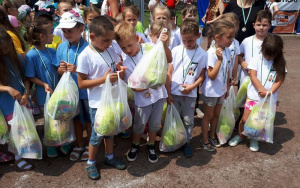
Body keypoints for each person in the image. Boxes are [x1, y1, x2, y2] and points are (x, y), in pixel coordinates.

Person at [114, 21, 172, 163]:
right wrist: (146, 85)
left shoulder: (150, 48)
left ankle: (151, 145)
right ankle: (135, 144)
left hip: (158, 95)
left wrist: (163, 45)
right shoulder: (125, 63)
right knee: (139, 124)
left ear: (136, 38)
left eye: (130, 45)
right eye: (123, 47)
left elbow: (169, 59)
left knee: (154, 124)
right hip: (142, 100)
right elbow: (133, 86)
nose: (127, 50)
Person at [77, 16, 126, 180]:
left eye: (111, 40)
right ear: (92, 37)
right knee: (97, 135)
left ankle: (109, 157)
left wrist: (119, 68)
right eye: (106, 41)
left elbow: (113, 64)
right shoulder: (85, 56)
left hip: (112, 99)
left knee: (110, 131)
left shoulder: (110, 49)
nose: (110, 44)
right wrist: (103, 80)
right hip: (98, 103)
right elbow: (82, 83)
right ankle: (90, 162)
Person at [228, 34, 286, 152]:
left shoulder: (280, 62)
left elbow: (279, 79)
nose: (268, 57)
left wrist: (269, 92)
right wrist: (262, 90)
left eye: (272, 55)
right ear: (262, 48)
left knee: (260, 122)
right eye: (266, 54)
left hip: (269, 99)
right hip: (254, 97)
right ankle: (240, 135)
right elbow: (252, 75)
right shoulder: (256, 59)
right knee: (245, 119)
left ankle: (254, 138)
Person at [166, 19, 207, 157]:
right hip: (174, 93)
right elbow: (169, 72)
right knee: (174, 118)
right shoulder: (176, 50)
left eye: (190, 40)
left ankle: (187, 141)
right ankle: (176, 139)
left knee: (188, 120)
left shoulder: (203, 54)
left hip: (190, 94)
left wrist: (192, 87)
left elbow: (201, 76)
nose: (187, 44)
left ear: (198, 35)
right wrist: (168, 92)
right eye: (184, 40)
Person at [55, 9, 91, 161]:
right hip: (69, 94)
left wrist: (77, 71)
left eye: (70, 30)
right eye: (64, 31)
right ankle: (79, 144)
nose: (66, 34)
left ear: (81, 28)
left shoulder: (89, 48)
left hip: (85, 93)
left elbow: (92, 73)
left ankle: (90, 145)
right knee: (75, 119)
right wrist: (60, 70)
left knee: (89, 120)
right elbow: (57, 69)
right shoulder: (61, 47)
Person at [200, 19, 235, 151]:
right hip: (211, 91)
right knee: (208, 116)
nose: (232, 40)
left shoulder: (226, 50)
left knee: (216, 115)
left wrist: (227, 88)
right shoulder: (211, 53)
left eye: (232, 37)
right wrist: (219, 60)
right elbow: (211, 75)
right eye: (229, 37)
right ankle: (204, 139)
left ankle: (212, 135)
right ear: (217, 37)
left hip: (221, 90)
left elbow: (227, 71)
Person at [0, 27, 32, 170]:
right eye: (2, 49)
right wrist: (7, 88)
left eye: (7, 47)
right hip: (6, 102)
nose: (5, 51)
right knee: (13, 128)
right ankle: (18, 156)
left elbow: (25, 79)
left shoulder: (17, 58)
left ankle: (25, 150)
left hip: (21, 99)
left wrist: (26, 93)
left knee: (24, 126)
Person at [235, 10, 271, 130]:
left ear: (270, 25)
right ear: (253, 25)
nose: (261, 28)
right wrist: (242, 62)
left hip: (262, 82)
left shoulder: (271, 42)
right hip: (246, 79)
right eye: (259, 24)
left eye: (264, 25)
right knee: (243, 103)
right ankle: (241, 128)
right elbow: (239, 55)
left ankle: (254, 132)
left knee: (258, 107)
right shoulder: (246, 41)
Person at [24, 17, 58, 121]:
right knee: (50, 121)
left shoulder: (52, 51)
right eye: (50, 32)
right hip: (44, 95)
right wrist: (44, 84)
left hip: (57, 91)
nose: (53, 35)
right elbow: (30, 76)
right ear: (42, 36)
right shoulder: (31, 55)